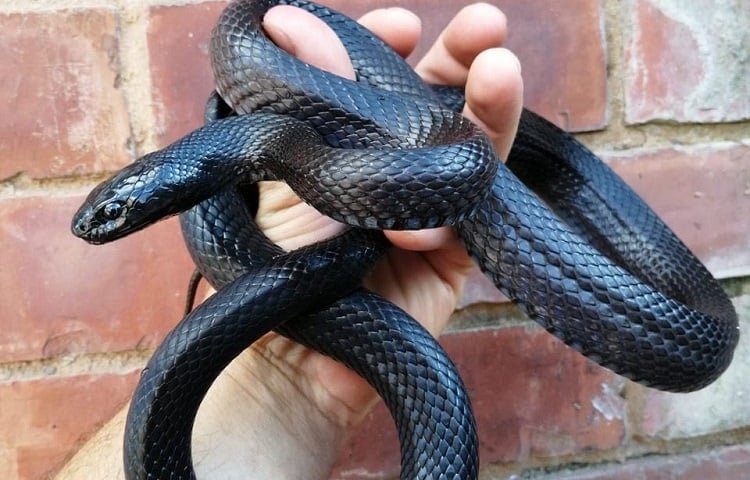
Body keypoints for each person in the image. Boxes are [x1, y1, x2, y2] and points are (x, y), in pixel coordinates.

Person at [56, 3, 524, 478]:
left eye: (118, 211)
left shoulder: (261, 126)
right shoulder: (250, 143)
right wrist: (282, 377)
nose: (108, 224)